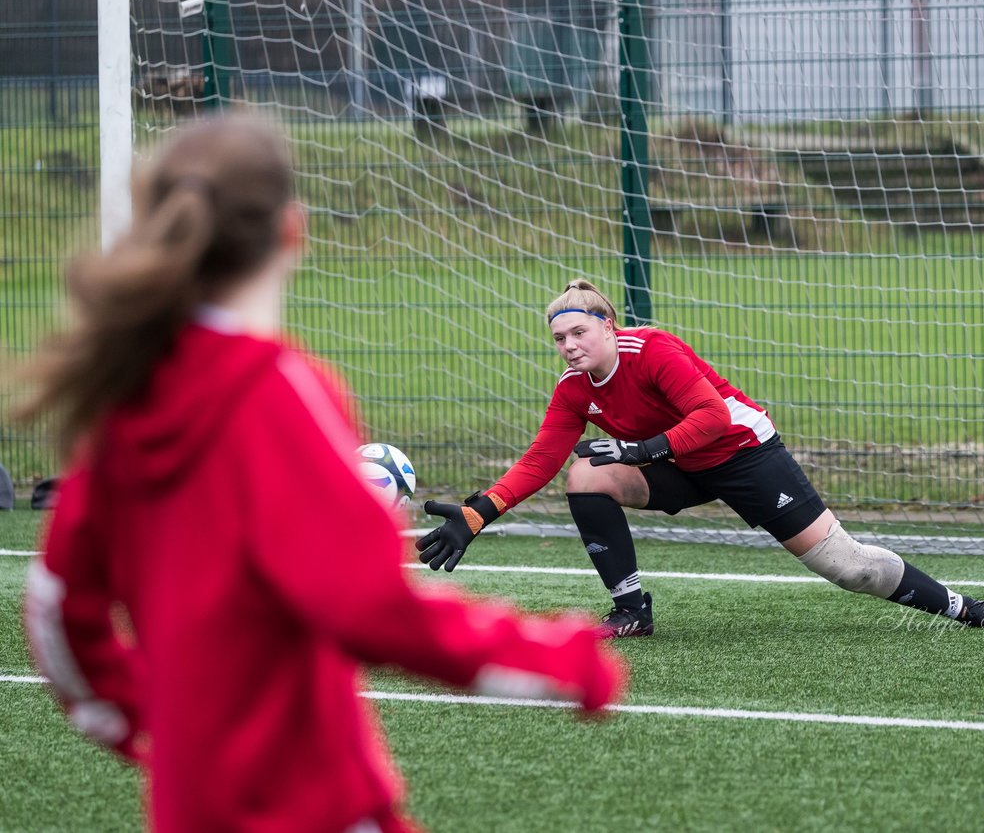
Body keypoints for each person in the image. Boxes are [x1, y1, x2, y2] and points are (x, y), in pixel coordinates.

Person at [15, 116, 625, 833]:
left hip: (186, 807)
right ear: (292, 232)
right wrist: (555, 658)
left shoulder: (124, 400)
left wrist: (120, 713)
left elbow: (56, 600)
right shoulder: (276, 391)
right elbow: (367, 605)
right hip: (312, 803)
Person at [417, 279, 984, 637]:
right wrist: (476, 515)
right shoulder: (573, 389)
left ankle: (966, 609)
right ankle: (631, 611)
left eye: (579, 332)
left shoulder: (653, 349)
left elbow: (713, 417)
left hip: (743, 455)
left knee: (850, 568)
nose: (569, 346)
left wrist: (641, 449)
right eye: (559, 338)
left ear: (608, 326)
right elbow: (539, 462)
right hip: (678, 465)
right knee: (583, 475)